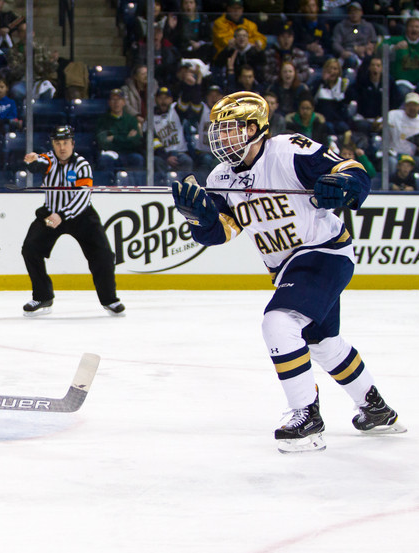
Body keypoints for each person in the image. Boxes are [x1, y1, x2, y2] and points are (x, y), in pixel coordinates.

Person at [168, 91, 405, 453]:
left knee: (277, 322)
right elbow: (221, 232)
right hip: (290, 266)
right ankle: (376, 409)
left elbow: (352, 170)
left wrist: (344, 186)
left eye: (229, 129)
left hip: (324, 252)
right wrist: (200, 217)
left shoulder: (289, 150)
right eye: (218, 129)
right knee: (324, 345)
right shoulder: (220, 177)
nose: (221, 136)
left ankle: (306, 415)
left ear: (254, 129)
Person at [20, 125, 125, 317]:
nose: (62, 147)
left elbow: (83, 197)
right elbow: (39, 164)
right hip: (51, 216)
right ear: (53, 144)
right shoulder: (49, 160)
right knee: (30, 249)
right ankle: (43, 296)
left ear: (73, 144)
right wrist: (32, 161)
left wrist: (62, 215)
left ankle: (110, 299)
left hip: (81, 216)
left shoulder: (82, 165)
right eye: (58, 143)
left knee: (103, 255)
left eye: (66, 143)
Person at [96, 88, 144, 172]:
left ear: (124, 102)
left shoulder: (131, 120)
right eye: (113, 100)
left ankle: (135, 184)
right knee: (104, 160)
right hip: (110, 153)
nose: (116, 102)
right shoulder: (103, 120)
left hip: (129, 153)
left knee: (138, 159)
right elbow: (103, 142)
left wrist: (114, 138)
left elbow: (136, 142)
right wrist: (127, 137)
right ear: (109, 102)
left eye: (119, 99)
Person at [152, 86, 194, 179]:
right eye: (160, 98)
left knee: (187, 161)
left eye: (166, 98)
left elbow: (185, 100)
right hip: (162, 154)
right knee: (155, 161)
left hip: (180, 153)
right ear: (155, 99)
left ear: (171, 99)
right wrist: (166, 156)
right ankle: (161, 187)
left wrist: (187, 84)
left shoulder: (175, 110)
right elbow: (153, 141)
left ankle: (186, 188)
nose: (163, 101)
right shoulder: (151, 117)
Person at [386, 92, 419, 174]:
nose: (412, 108)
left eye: (415, 105)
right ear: (405, 105)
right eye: (410, 105)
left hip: (411, 157)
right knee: (391, 162)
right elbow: (378, 126)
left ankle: (417, 185)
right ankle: (390, 185)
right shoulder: (393, 115)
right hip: (394, 154)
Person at [331, 1, 377, 69]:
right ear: (348, 13)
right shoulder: (340, 26)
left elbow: (374, 41)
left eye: (356, 11)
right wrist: (343, 52)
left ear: (361, 12)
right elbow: (335, 43)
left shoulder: (368, 26)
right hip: (348, 54)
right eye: (351, 11)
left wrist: (367, 48)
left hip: (364, 54)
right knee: (350, 60)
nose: (354, 13)